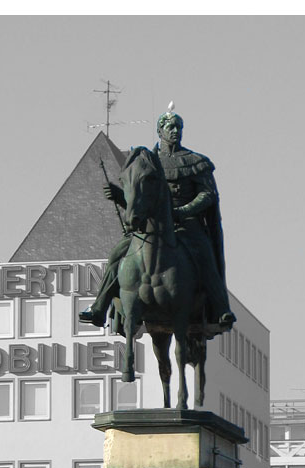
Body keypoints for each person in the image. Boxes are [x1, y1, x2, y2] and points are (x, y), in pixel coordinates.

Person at [79, 106, 236, 331]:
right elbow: (138, 198)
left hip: (186, 224)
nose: (175, 131)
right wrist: (119, 196)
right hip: (150, 226)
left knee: (205, 255)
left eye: (179, 127)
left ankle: (220, 308)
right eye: (170, 127)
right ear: (159, 130)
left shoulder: (196, 161)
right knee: (117, 255)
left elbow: (208, 194)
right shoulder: (145, 162)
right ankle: (99, 306)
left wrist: (184, 210)